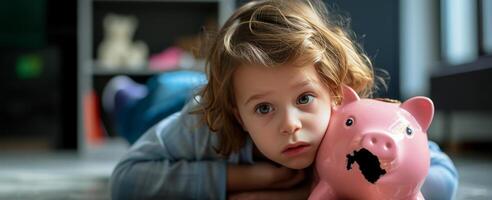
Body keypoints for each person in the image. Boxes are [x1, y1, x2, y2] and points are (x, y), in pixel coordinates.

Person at [109, 0, 458, 199]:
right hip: (172, 98)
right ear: (239, 114)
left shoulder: (358, 124)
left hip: (219, 87)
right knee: (137, 109)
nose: (290, 124)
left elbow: (442, 175)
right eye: (264, 108)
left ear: (336, 93)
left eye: (305, 98)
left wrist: (339, 186)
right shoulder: (204, 123)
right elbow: (126, 179)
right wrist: (256, 181)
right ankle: (123, 93)